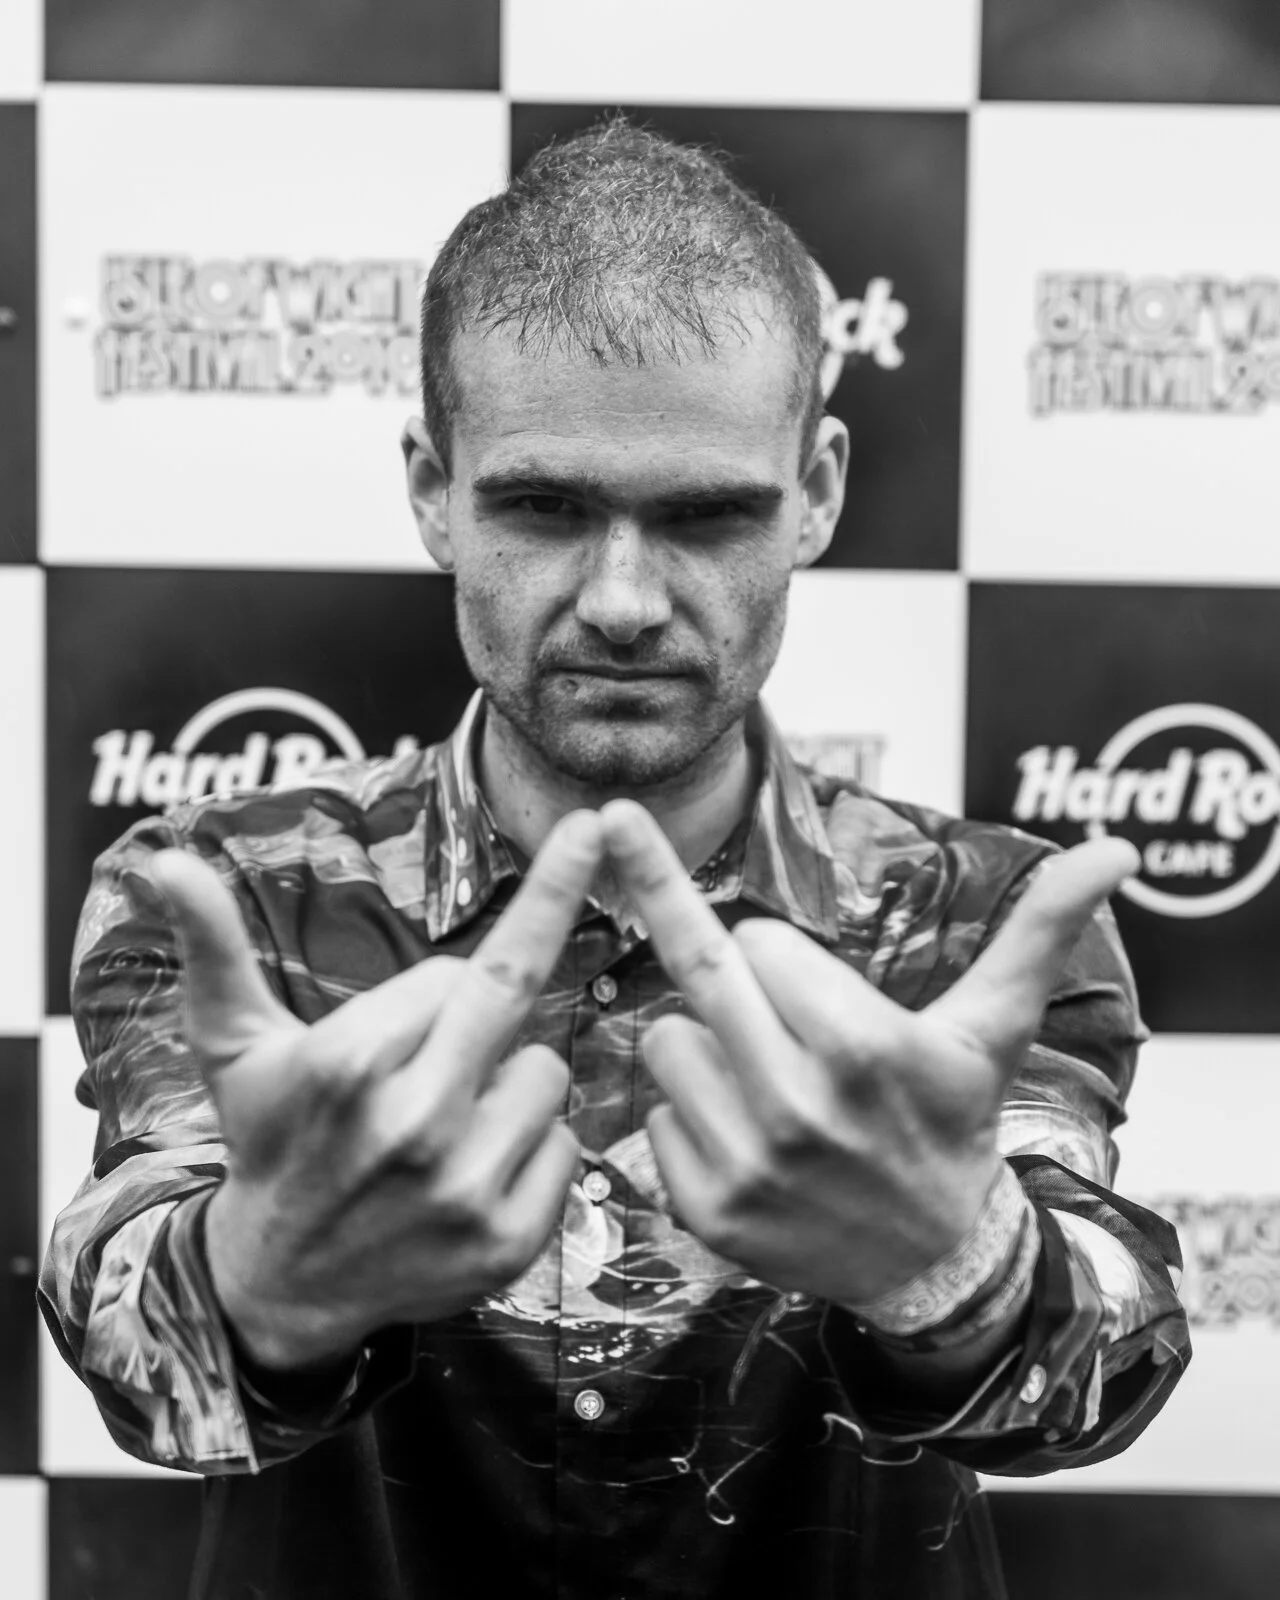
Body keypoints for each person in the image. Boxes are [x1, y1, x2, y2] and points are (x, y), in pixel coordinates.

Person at [40, 120, 1189, 1600]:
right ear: (432, 490)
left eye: (707, 515)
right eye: (546, 507)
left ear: (818, 492)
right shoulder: (229, 892)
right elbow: (133, 1353)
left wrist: (962, 1275)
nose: (627, 600)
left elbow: (1099, 1375)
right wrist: (258, 1279)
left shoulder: (980, 922)